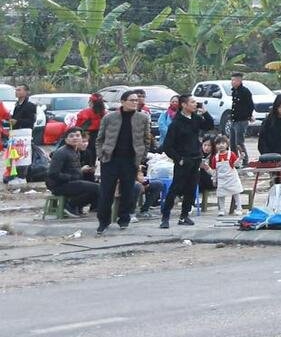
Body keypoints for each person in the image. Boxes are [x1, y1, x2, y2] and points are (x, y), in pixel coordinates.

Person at [94, 90, 150, 234]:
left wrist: (141, 157)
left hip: (130, 160)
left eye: (136, 100)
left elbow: (146, 139)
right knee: (106, 192)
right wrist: (101, 154)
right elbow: (100, 139)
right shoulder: (110, 118)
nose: (135, 103)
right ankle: (103, 222)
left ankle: (123, 219)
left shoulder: (142, 118)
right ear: (123, 102)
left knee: (128, 191)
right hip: (110, 159)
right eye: (132, 100)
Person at [157, 94, 213, 228]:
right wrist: (179, 159)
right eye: (192, 102)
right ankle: (165, 217)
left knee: (191, 188)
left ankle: (184, 215)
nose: (195, 104)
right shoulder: (176, 123)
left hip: (195, 159)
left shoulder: (195, 118)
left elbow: (208, 125)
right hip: (183, 160)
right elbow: (167, 146)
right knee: (175, 188)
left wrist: (205, 112)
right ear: (184, 105)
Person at [47, 128, 98, 216]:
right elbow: (53, 174)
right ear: (66, 139)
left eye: (78, 136)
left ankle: (74, 206)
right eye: (71, 136)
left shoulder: (76, 151)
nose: (75, 138)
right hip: (60, 185)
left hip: (72, 182)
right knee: (98, 188)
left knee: (98, 188)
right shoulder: (61, 152)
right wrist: (71, 177)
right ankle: (70, 206)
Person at [225, 73, 255, 162]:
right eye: (232, 80)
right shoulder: (234, 91)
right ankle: (235, 161)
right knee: (232, 143)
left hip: (241, 121)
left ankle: (245, 161)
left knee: (239, 143)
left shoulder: (245, 91)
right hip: (234, 120)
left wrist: (249, 116)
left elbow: (251, 105)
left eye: (234, 80)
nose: (232, 82)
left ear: (240, 81)